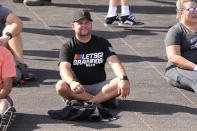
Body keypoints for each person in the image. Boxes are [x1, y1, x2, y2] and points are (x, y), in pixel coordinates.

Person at [56, 9, 130, 107]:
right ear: (73, 26)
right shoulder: (68, 46)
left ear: (91, 24)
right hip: (78, 88)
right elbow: (64, 69)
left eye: (87, 23)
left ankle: (87, 103)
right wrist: (72, 82)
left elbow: (114, 62)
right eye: (80, 23)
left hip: (101, 87)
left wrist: (124, 78)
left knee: (120, 82)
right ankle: (101, 100)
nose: (84, 26)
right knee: (60, 86)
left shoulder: (102, 42)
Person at [165, 0, 197, 93]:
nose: (195, 12)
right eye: (190, 9)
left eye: (196, 8)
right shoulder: (176, 31)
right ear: (181, 13)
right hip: (179, 69)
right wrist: (195, 68)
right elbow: (174, 58)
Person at [0, 5, 35, 81]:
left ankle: (21, 66)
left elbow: (18, 23)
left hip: (2, 45)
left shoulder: (1, 10)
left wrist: (7, 37)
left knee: (10, 29)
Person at [0, 46, 16, 130]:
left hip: (1, 97)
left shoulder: (4, 54)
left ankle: (2, 119)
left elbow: (7, 87)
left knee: (4, 103)